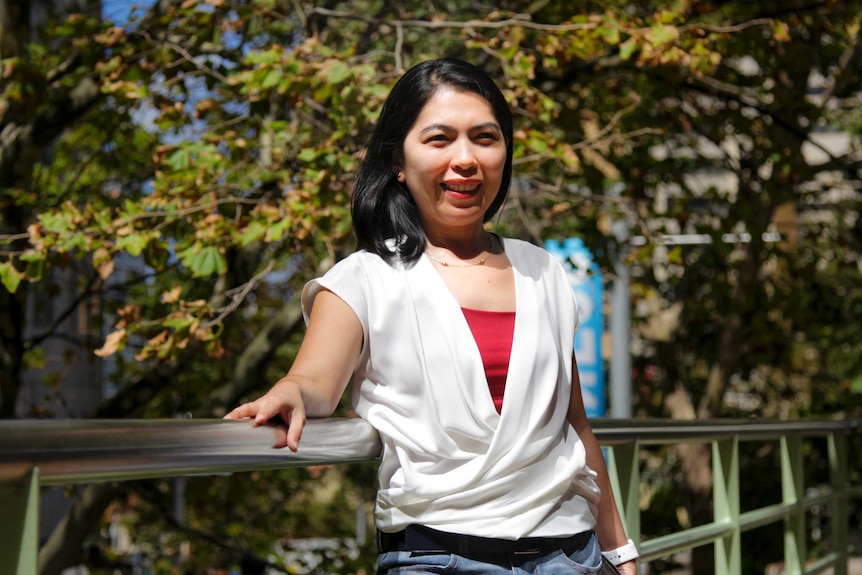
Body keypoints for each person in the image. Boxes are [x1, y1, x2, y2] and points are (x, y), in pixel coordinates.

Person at [226, 58, 638, 575]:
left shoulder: (544, 270)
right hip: (437, 556)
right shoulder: (365, 278)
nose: (465, 159)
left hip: (569, 555)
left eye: (484, 138)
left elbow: (573, 426)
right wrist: (289, 392)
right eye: (439, 139)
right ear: (398, 159)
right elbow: (313, 382)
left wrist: (620, 550)